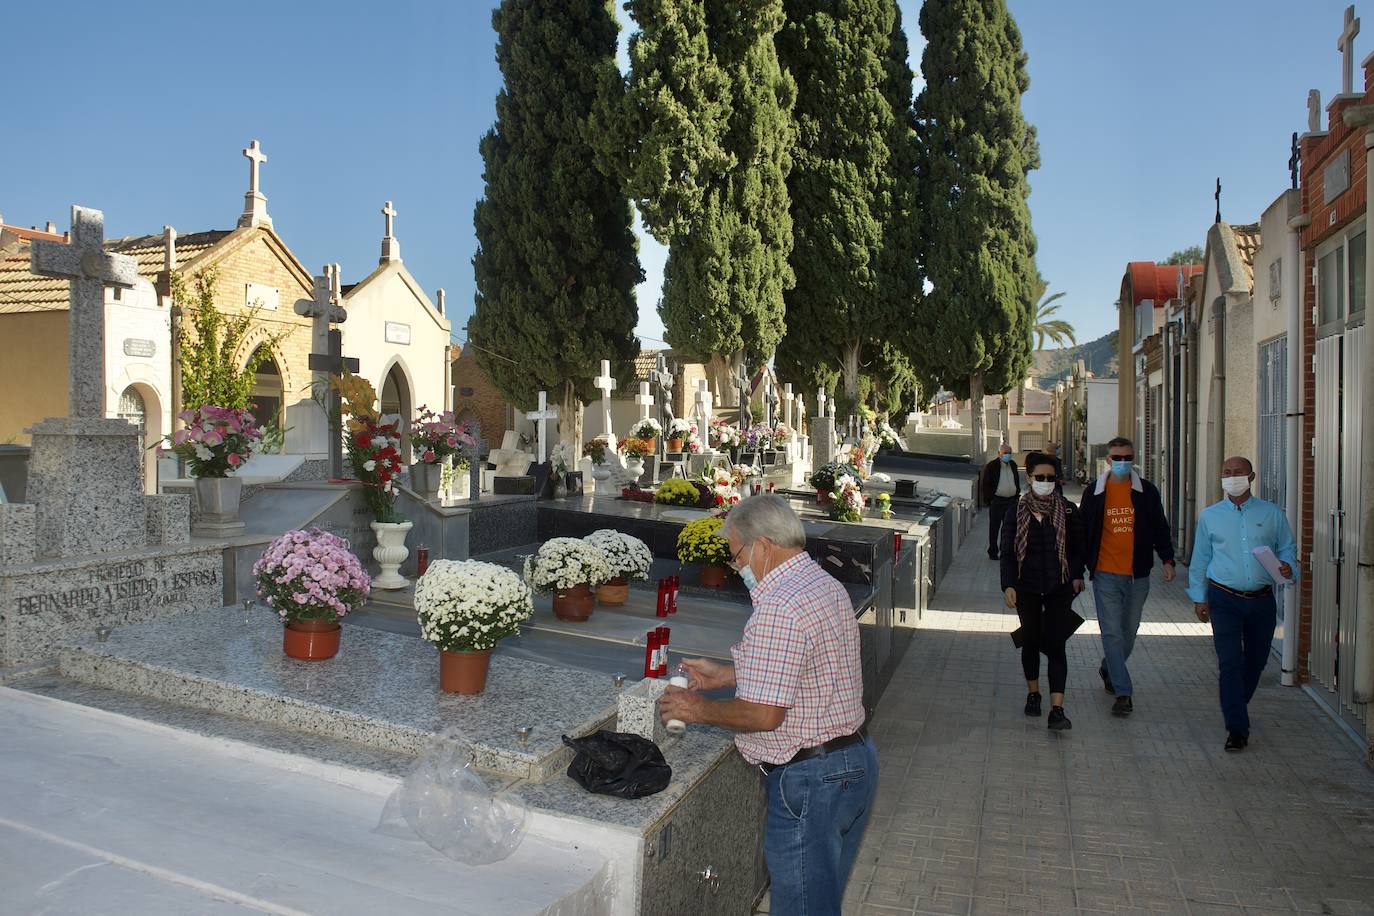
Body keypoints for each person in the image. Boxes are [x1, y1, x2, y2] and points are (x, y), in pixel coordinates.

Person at [659, 494, 874, 913]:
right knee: (821, 902)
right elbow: (809, 660)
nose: (737, 567)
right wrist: (727, 674)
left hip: (811, 781)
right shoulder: (821, 583)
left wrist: (696, 709)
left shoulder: (778, 605)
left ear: (762, 546)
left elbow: (763, 714)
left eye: (736, 555)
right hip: (853, 761)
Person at [1188, 455, 1298, 752]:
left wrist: (1288, 566)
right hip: (1223, 598)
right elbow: (1200, 560)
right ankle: (1237, 728)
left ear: (1251, 477)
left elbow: (1287, 549)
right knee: (1229, 662)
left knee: (1256, 661)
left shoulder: (1272, 514)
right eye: (1226, 472)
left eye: (1238, 472)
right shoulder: (1210, 516)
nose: (1232, 476)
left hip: (1261, 600)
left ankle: (1235, 703)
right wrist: (1199, 598)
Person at [1078, 436, 1175, 717]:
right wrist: (1078, 568)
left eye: (1127, 458)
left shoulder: (1146, 491)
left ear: (1134, 459)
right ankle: (1123, 693)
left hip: (1138, 575)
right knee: (1111, 632)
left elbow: (1159, 526)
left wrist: (1167, 559)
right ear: (1108, 460)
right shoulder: (1095, 493)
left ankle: (1109, 667)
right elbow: (1083, 531)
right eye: (1116, 458)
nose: (1122, 463)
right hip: (1105, 574)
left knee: (1128, 632)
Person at [1001, 452, 1086, 730]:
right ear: (1029, 478)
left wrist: (1076, 575)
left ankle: (1058, 710)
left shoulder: (1068, 510)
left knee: (1057, 645)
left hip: (1059, 587)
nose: (1046, 482)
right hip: (1026, 587)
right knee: (1031, 640)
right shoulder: (1016, 510)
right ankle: (1033, 694)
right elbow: (1008, 553)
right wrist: (1009, 585)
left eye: (1051, 478)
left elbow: (1077, 549)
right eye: (1040, 477)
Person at [979, 442, 1021, 560]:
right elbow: (986, 484)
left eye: (1009, 453)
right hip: (997, 501)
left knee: (1009, 528)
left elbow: (1016, 480)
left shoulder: (1013, 465)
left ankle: (1006, 550)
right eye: (1005, 453)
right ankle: (993, 551)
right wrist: (989, 500)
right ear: (999, 454)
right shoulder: (992, 466)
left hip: (1011, 501)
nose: (1007, 455)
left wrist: (1017, 495)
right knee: (994, 527)